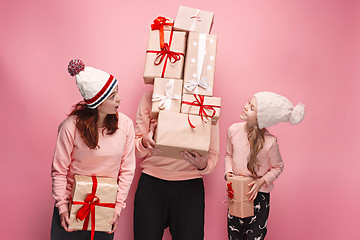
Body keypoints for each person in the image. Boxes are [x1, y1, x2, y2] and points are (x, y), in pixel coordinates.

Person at [51, 59, 136, 240]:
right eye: (113, 96)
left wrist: (117, 208)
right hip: (70, 207)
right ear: (98, 102)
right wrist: (62, 208)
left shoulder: (126, 125)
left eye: (117, 93)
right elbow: (59, 170)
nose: (119, 99)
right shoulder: (70, 127)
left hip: (105, 207)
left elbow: (127, 170)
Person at [133, 91, 220, 240]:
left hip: (190, 186)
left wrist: (203, 164)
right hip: (152, 182)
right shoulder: (151, 96)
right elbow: (135, 148)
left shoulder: (204, 103)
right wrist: (144, 142)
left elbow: (212, 154)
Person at [225, 91, 305, 240]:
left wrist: (261, 181)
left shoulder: (270, 143)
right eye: (249, 102)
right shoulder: (233, 130)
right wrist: (228, 173)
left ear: (262, 118)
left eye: (252, 108)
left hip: (259, 197)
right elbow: (228, 155)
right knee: (234, 235)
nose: (246, 106)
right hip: (236, 191)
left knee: (255, 236)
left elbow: (278, 167)